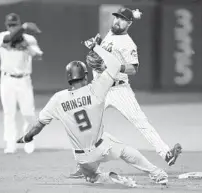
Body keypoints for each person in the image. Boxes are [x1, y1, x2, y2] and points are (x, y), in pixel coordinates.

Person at [16, 41, 169, 187]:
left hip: (82, 158)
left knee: (91, 176)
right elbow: (115, 65)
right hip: (102, 148)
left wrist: (27, 137)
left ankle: (104, 176)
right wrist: (97, 47)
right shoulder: (96, 89)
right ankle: (157, 173)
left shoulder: (58, 99)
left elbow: (39, 124)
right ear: (86, 75)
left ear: (69, 78)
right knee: (123, 150)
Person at [69, 7, 182, 178]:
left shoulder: (128, 43)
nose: (117, 21)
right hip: (100, 87)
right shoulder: (109, 35)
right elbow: (101, 57)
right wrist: (95, 47)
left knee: (141, 122)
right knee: (83, 123)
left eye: (122, 19)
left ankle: (166, 153)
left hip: (119, 89)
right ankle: (84, 165)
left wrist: (113, 66)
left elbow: (133, 69)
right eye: (116, 17)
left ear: (129, 23)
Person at [0, 13, 43, 154]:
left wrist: (26, 47)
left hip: (24, 80)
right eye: (10, 25)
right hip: (7, 79)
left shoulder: (29, 39)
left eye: (14, 24)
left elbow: (38, 55)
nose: (11, 27)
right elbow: (8, 40)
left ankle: (28, 141)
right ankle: (10, 144)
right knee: (8, 113)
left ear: (17, 23)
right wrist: (24, 27)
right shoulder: (1, 36)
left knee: (28, 113)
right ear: (6, 25)